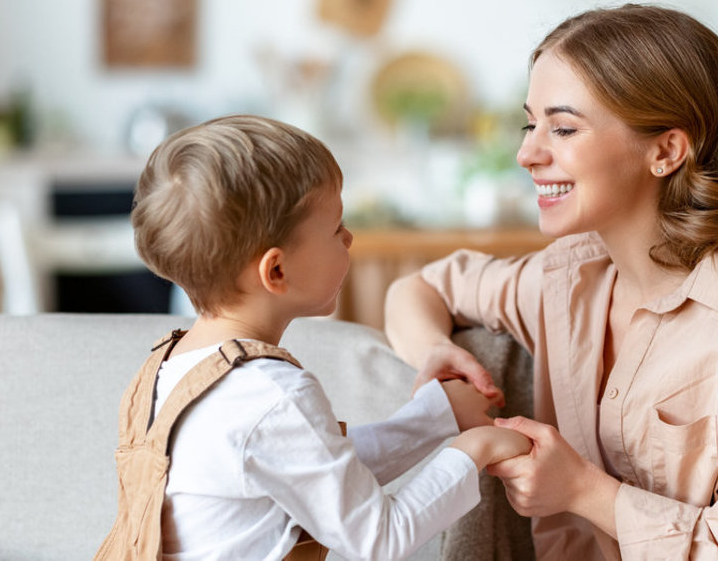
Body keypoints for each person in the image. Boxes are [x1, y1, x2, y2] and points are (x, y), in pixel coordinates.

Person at [384, 5, 718, 560]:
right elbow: (419, 290)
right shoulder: (566, 279)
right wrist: (435, 350)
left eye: (564, 127)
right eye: (531, 123)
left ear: (667, 151)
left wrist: (583, 490)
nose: (527, 153)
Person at [97, 115, 531, 561]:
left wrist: (434, 418)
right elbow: (379, 539)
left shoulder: (165, 372)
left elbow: (315, 468)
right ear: (277, 270)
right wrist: (471, 452)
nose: (349, 238)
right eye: (335, 228)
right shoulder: (271, 395)